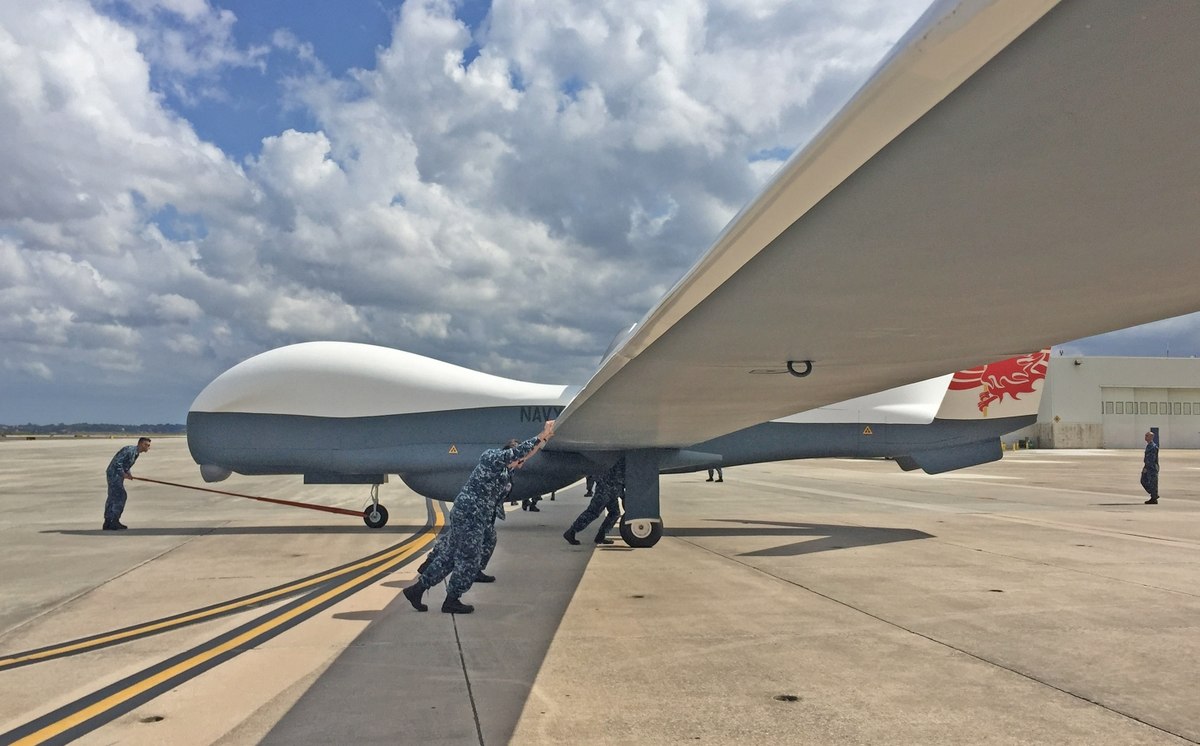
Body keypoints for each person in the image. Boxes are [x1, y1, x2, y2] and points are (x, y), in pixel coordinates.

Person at [404, 420, 555, 614]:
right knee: (469, 559)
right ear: (510, 453)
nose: (520, 465)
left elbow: (524, 455)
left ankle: (417, 590)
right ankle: (451, 600)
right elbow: (519, 453)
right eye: (519, 460)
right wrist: (541, 435)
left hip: (473, 515)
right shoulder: (492, 458)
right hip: (470, 515)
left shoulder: (506, 469)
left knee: (450, 557)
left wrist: (543, 441)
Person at [563, 458, 624, 546]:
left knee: (615, 513)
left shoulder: (618, 459)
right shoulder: (616, 459)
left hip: (612, 490)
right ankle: (571, 532)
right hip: (605, 489)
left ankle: (601, 535)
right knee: (593, 512)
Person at [103, 437, 151, 530]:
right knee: (119, 496)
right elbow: (117, 463)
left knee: (114, 496)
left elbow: (126, 465)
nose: (148, 447)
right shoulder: (129, 450)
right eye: (147, 445)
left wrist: (128, 473)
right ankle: (112, 521)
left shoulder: (136, 453)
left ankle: (109, 521)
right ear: (141, 444)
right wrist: (123, 473)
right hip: (114, 474)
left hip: (117, 474)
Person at [1141, 431, 1160, 504]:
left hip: (1152, 467)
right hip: (1148, 466)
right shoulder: (1149, 445)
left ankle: (1154, 497)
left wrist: (1147, 467)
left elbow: (1151, 459)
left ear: (1151, 437)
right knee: (1144, 480)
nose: (1145, 437)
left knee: (1153, 482)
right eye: (1145, 435)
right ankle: (1154, 494)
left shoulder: (1153, 446)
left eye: (1147, 436)